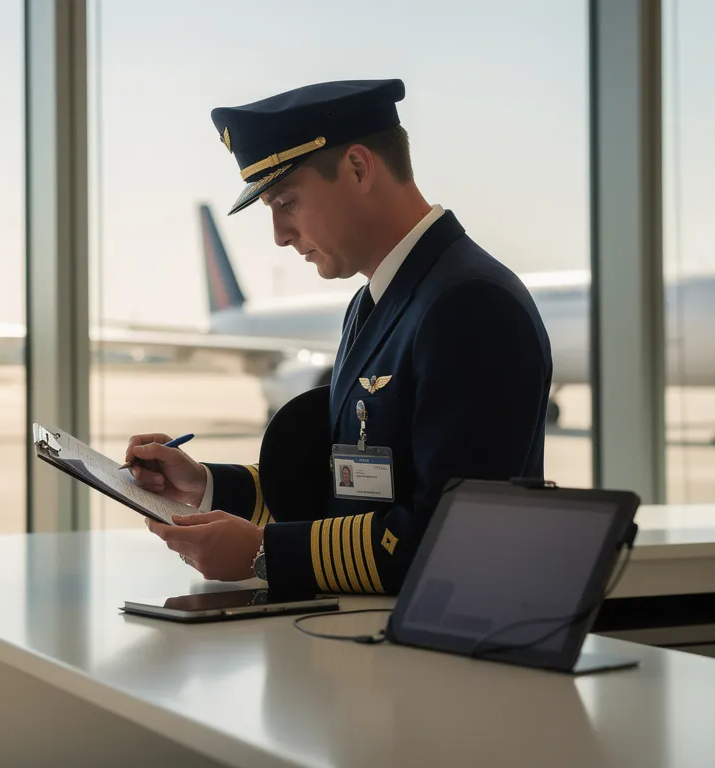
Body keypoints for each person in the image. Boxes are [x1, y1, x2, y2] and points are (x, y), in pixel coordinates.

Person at [126, 78, 552, 595]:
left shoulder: (469, 304)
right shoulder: (379, 300)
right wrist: (208, 486)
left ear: (357, 168)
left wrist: (265, 553)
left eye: (286, 202)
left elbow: (453, 535)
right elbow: (352, 488)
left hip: (444, 648)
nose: (280, 236)